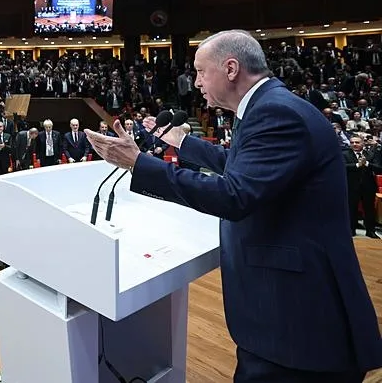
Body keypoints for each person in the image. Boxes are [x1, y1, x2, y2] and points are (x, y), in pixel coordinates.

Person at [85, 30, 382, 382]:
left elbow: (235, 195)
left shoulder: (274, 112)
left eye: (199, 71)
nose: (194, 82)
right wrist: (184, 143)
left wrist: (139, 164)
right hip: (290, 315)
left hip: (297, 322)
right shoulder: (269, 106)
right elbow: (245, 166)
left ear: (230, 68)